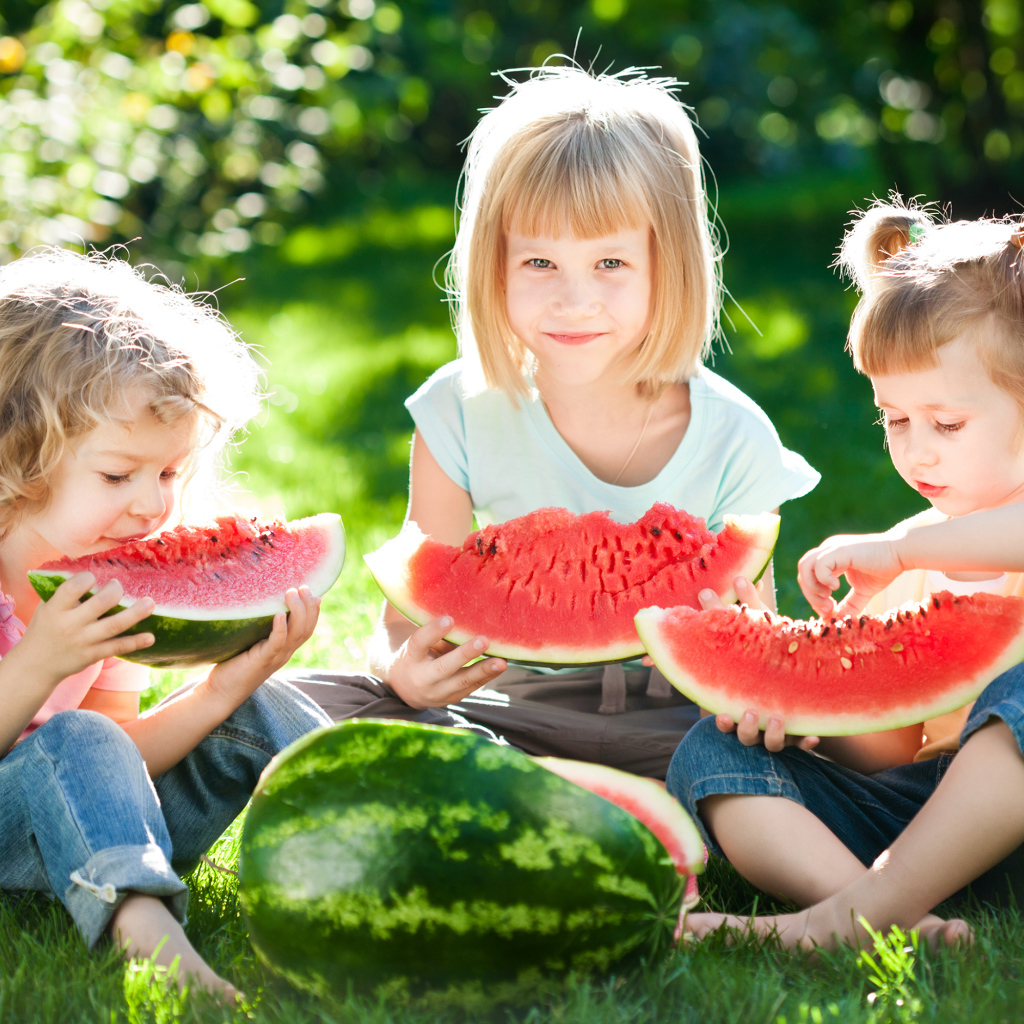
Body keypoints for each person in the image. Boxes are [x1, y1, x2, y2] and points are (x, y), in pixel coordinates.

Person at [359, 66, 819, 779]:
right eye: (540, 261)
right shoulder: (457, 412)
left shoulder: (735, 437)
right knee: (313, 705)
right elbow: (407, 617)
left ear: (669, 267)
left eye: (611, 262)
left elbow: (750, 635)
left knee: (777, 754)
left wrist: (754, 695)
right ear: (493, 266)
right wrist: (402, 670)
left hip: (681, 725)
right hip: (504, 711)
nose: (575, 301)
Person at [669, 199, 1024, 949]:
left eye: (947, 424)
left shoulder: (910, 551)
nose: (916, 451)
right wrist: (808, 717)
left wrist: (901, 553)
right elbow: (892, 746)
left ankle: (845, 920)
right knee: (710, 754)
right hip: (923, 822)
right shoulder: (913, 547)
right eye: (894, 420)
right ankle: (886, 913)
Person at [0, 248, 332, 998]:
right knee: (74, 738)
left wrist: (222, 693)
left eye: (170, 473)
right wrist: (41, 661)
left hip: (110, 831)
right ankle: (154, 945)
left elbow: (121, 758)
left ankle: (389, 837)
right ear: (17, 456)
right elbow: (77, 750)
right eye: (119, 475)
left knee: (261, 703)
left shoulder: (114, 577)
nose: (152, 505)